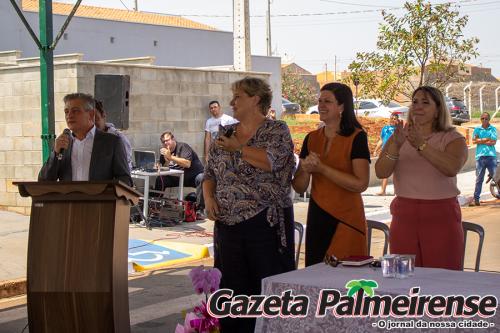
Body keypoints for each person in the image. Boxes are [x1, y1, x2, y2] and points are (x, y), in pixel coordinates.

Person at [203, 77, 295, 333]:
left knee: (265, 293)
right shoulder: (225, 132)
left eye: (238, 97)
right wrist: (209, 198)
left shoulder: (276, 130)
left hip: (265, 224)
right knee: (231, 294)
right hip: (227, 226)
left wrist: (239, 149)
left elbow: (272, 162)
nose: (232, 102)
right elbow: (209, 174)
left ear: (255, 99)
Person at [375, 86, 468, 270]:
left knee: (442, 278)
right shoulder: (400, 135)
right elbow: (381, 172)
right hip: (404, 216)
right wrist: (395, 145)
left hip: (440, 216)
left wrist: (421, 145)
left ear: (438, 110)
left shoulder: (452, 138)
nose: (418, 106)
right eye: (415, 101)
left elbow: (451, 168)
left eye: (425, 103)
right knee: (404, 276)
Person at [292, 82, 371, 267]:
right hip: (318, 216)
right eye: (319, 101)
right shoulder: (311, 138)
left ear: (342, 106)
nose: (321, 105)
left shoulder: (357, 137)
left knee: (346, 280)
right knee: (316, 274)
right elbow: (299, 186)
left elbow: (361, 183)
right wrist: (304, 168)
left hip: (347, 219)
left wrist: (323, 169)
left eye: (327, 101)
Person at [38, 93, 132, 186]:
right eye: (66, 111)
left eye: (75, 111)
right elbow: (44, 181)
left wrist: (106, 192)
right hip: (68, 201)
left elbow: (125, 180)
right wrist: (55, 153)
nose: (69, 115)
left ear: (91, 115)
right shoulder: (62, 144)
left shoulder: (112, 143)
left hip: (99, 200)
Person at [156, 131, 205, 219]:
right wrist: (158, 165)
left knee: (201, 178)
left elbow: (187, 164)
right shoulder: (165, 151)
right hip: (178, 177)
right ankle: (155, 205)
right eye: (163, 142)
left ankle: (199, 210)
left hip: (193, 176)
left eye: (167, 140)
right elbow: (161, 163)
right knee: (160, 179)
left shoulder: (183, 147)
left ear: (173, 139)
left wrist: (171, 157)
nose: (166, 143)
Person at [94, 99, 133, 171]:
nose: (92, 124)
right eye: (88, 120)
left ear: (103, 115)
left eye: (96, 119)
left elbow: (124, 170)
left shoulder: (118, 139)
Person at [471, 112, 497, 206]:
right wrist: (486, 139)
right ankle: (476, 199)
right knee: (479, 179)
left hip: (491, 156)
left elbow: (493, 142)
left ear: (489, 119)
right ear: (480, 119)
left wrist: (480, 140)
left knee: (497, 178)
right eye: (482, 118)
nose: (484, 120)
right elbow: (473, 141)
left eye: (486, 119)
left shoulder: (493, 129)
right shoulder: (477, 129)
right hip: (480, 157)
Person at [373, 113, 399, 195]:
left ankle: (397, 191)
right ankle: (383, 191)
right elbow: (381, 140)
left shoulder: (399, 129)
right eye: (391, 118)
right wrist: (375, 150)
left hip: (396, 152)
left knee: (397, 172)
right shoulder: (385, 128)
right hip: (386, 152)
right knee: (385, 171)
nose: (393, 120)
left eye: (395, 118)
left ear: (397, 120)